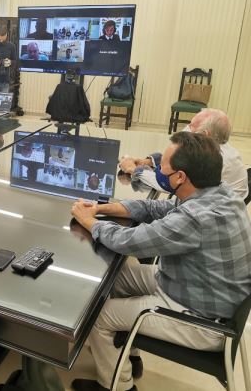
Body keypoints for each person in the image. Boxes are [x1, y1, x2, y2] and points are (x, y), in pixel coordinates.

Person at [70, 132, 251, 391]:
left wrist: (89, 222)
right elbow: (157, 209)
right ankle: (129, 354)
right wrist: (101, 208)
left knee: (98, 316)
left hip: (203, 320)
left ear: (180, 177)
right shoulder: (221, 194)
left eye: (164, 167)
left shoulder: (195, 219)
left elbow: (129, 241)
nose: (157, 170)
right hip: (192, 287)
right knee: (119, 274)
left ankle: (118, 387)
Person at [119, 108, 248, 199]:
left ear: (205, 135)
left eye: (192, 127)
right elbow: (178, 158)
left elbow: (168, 183)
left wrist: (133, 169)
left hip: (210, 219)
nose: (187, 130)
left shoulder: (212, 159)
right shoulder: (216, 146)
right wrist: (149, 162)